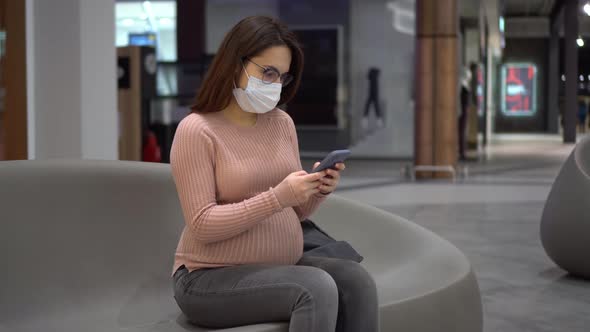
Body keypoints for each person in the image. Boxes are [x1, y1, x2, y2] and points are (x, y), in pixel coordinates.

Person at [169, 16, 378, 332]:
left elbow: (294, 212)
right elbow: (202, 225)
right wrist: (278, 196)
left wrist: (317, 189)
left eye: (282, 77)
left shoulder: (282, 123)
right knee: (316, 287)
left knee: (356, 281)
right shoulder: (197, 131)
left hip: (277, 265)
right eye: (267, 72)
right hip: (207, 277)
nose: (275, 85)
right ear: (234, 64)